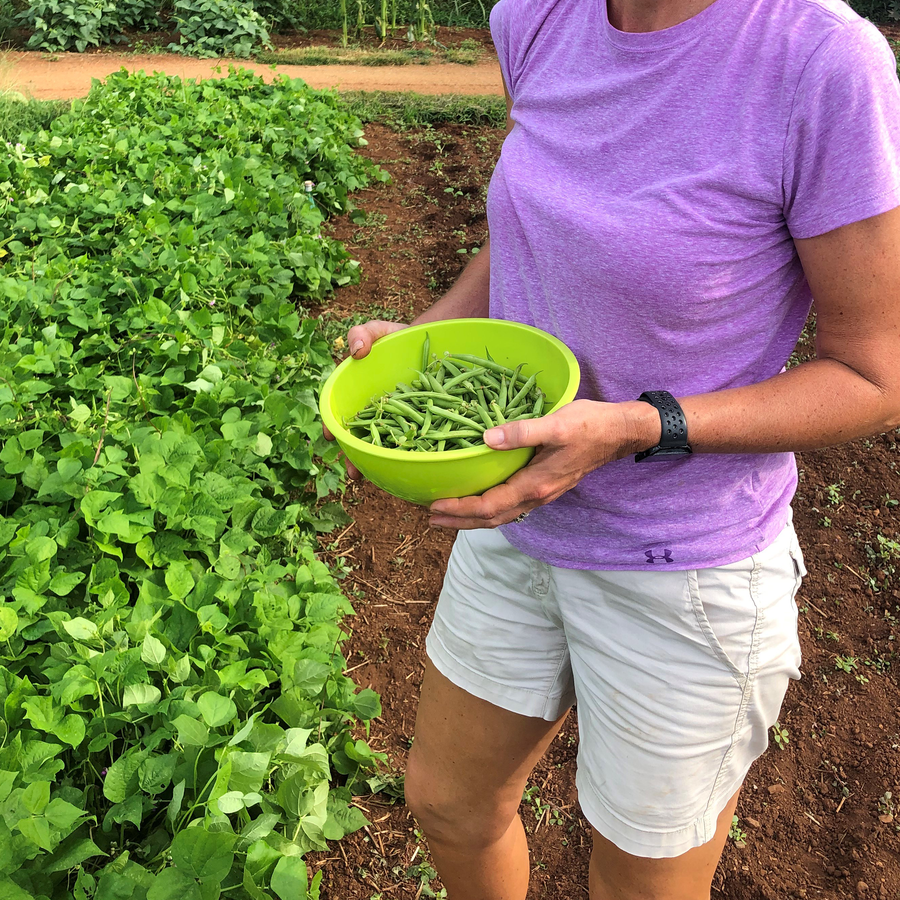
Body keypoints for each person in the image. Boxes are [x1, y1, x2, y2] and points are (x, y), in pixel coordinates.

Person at [327, 0, 900, 896]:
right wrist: (424, 341)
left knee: (640, 885)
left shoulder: (821, 62)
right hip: (518, 524)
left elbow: (878, 377)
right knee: (448, 804)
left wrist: (640, 426)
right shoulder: (536, 17)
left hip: (685, 569)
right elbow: (530, 227)